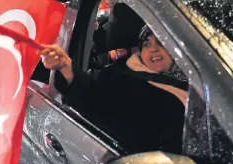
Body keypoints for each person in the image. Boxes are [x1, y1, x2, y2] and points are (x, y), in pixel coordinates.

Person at [38, 25, 188, 153]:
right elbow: (93, 99)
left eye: (161, 43)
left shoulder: (201, 81)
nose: (153, 49)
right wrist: (66, 67)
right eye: (147, 44)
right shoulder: (121, 78)